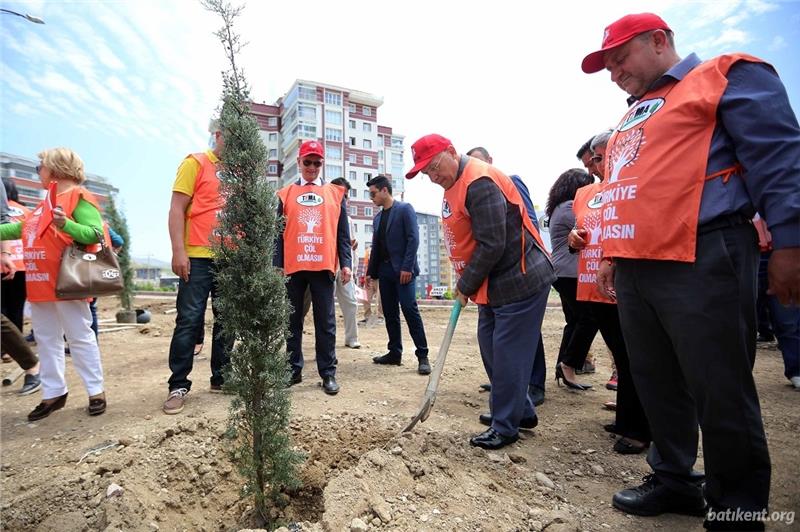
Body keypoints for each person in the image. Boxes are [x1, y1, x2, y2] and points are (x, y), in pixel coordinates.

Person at [582, 12, 800, 529]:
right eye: (607, 65)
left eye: (620, 58)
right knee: (655, 379)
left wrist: (791, 242)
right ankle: (675, 478)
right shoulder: (637, 112)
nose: (613, 72)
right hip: (637, 263)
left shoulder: (727, 75)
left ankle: (738, 504)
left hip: (705, 251)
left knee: (718, 382)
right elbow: (629, 189)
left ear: (659, 42)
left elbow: (780, 160)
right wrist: (613, 252)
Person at [406, 134, 555, 450]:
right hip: (494, 283)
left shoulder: (479, 182)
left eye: (434, 167)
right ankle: (520, 412)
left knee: (507, 355)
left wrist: (464, 285)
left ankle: (505, 427)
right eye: (426, 174)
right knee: (490, 346)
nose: (433, 177)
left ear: (450, 151)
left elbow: (492, 243)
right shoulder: (455, 183)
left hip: (520, 279)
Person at [0, 148, 108, 420]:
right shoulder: (44, 203)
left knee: (80, 337)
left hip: (67, 282)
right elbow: (19, 229)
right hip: (39, 284)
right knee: (47, 341)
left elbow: (95, 233)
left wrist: (67, 225)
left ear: (57, 168)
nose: (38, 171)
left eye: (41, 166)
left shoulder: (78, 197)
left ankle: (96, 391)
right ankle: (53, 393)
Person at [568, 132, 652, 455]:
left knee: (634, 357)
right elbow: (576, 232)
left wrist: (612, 259)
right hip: (593, 286)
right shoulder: (585, 193)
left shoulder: (633, 184)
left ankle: (639, 429)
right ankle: (626, 419)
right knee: (622, 354)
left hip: (624, 281)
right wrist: (573, 239)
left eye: (601, 158)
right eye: (594, 160)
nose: (596, 166)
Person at [466, 146, 547, 406]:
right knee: (499, 340)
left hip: (520, 270)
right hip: (492, 276)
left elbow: (527, 221)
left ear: (490, 162)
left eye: (479, 164)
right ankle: (510, 386)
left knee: (523, 336)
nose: (475, 172)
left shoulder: (508, 182)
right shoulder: (470, 189)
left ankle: (534, 384)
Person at [163, 120, 234, 415]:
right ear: (218, 135)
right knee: (189, 320)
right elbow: (176, 208)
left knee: (227, 320)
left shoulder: (239, 175)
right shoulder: (196, 163)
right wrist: (178, 251)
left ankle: (222, 377)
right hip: (196, 256)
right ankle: (178, 384)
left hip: (229, 259)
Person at [273, 140, 352, 395]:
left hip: (323, 267)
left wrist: (347, 263)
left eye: (317, 162)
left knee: (326, 322)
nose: (312, 167)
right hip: (293, 267)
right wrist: (277, 264)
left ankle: (328, 373)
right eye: (307, 161)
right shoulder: (285, 194)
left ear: (322, 164)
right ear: (299, 162)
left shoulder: (335, 193)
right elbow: (278, 233)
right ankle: (292, 370)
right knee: (292, 320)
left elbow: (343, 233)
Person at [366, 175, 430, 375]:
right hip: (384, 271)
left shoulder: (404, 209)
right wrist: (371, 273)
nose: (371, 198)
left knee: (410, 310)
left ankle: (423, 356)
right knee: (390, 314)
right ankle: (394, 353)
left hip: (403, 272)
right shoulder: (377, 218)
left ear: (385, 190)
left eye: (373, 193)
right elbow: (376, 247)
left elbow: (413, 239)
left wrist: (407, 267)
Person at [544, 168, 597, 390]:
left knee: (574, 321)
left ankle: (563, 366)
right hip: (571, 273)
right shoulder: (569, 208)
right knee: (590, 318)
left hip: (561, 272)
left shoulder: (558, 208)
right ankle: (569, 364)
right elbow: (592, 225)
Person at [301, 177, 361, 349]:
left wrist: (349, 263)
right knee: (313, 306)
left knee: (350, 302)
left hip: (342, 268)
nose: (343, 198)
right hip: (320, 265)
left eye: (346, 196)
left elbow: (346, 242)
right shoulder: (320, 210)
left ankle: (351, 337)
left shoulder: (348, 219)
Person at [0, 180, 41, 395]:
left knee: (3, 312)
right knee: (14, 310)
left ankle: (26, 362)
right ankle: (9, 352)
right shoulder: (26, 211)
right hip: (23, 265)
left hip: (8, 262)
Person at [753, 215, 800, 389]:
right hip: (748, 246)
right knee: (743, 320)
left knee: (788, 316)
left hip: (781, 248)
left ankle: (796, 369)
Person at [359, 246, 383, 326]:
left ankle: (380, 317)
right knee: (365, 298)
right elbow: (365, 266)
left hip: (379, 278)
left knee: (381, 299)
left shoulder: (383, 250)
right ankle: (368, 317)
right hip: (369, 278)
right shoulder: (368, 252)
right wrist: (364, 278)